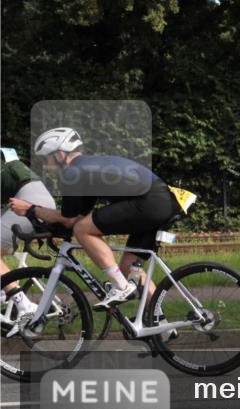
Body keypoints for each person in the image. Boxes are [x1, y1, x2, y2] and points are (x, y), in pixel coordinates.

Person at [8, 127, 182, 309]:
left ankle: (121, 286)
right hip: (162, 200)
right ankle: (159, 323)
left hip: (150, 202)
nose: (44, 166)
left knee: (83, 229)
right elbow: (75, 217)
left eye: (45, 159)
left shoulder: (72, 173)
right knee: (130, 268)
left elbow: (70, 221)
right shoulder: (88, 169)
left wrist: (30, 209)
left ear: (59, 155)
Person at [1, 147, 57, 317]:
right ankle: (4, 290)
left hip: (29, 203)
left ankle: (23, 304)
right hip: (38, 200)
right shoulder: (6, 160)